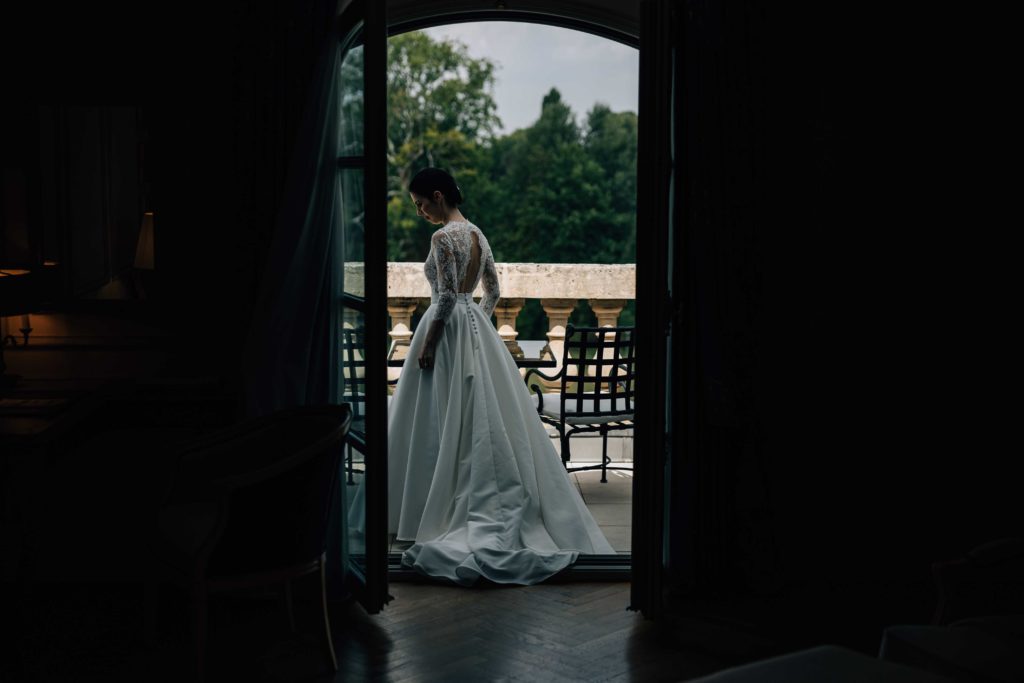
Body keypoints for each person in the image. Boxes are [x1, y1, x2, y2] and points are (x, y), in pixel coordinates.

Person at [350, 167, 614, 585]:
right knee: (473, 415)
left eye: (421, 204)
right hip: (473, 327)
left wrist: (435, 340)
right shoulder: (478, 234)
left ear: (437, 196)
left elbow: (446, 296)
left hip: (445, 328)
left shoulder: (442, 238)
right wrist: (475, 324)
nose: (420, 213)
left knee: (437, 417)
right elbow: (491, 291)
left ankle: (423, 508)